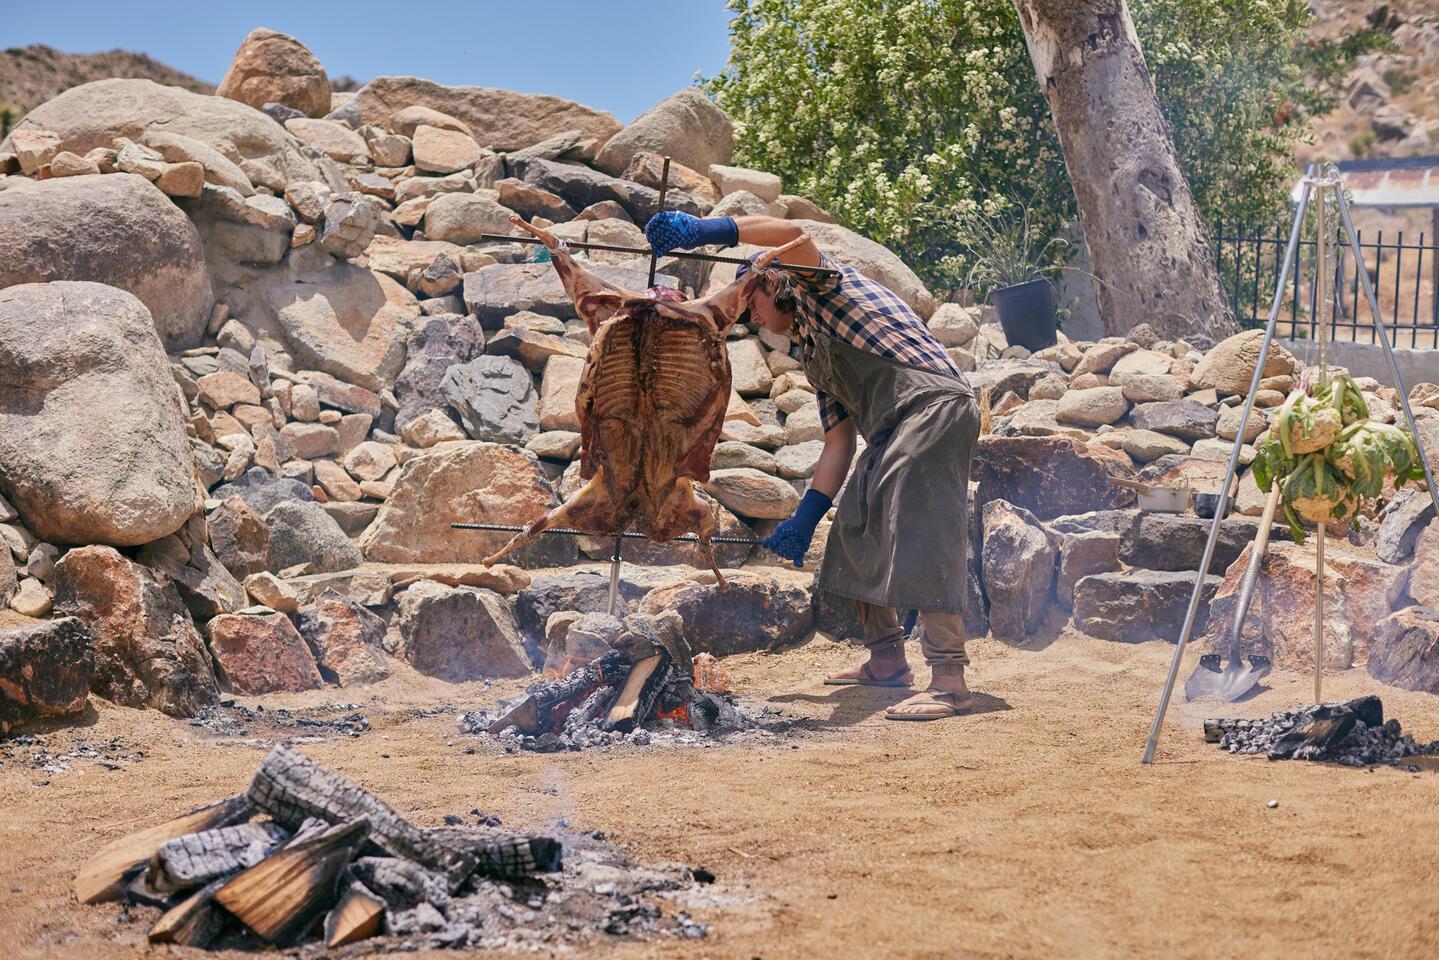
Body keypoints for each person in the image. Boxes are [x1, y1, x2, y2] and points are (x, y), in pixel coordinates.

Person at [646, 211, 981, 720]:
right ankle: (888, 661)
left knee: (920, 526)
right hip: (893, 429)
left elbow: (794, 235)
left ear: (772, 282)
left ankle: (950, 679)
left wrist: (705, 230)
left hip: (935, 406)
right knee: (852, 524)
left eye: (750, 301)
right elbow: (838, 446)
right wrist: (803, 520)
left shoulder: (820, 286)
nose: (750, 316)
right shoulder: (814, 355)